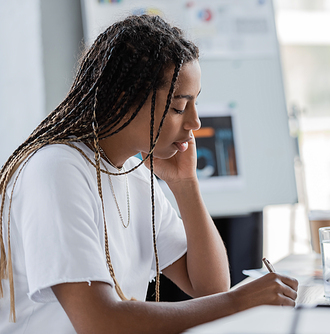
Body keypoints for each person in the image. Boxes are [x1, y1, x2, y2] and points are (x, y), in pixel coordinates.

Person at [0, 15, 298, 333]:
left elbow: (210, 287)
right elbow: (99, 322)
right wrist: (240, 302)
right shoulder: (56, 170)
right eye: (180, 107)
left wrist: (185, 184)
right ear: (126, 99)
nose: (195, 122)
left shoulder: (132, 172)